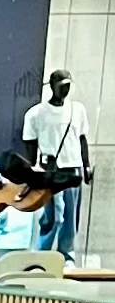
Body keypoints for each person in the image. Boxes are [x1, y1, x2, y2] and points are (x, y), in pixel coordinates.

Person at [26, 70, 92, 256]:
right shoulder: (36, 113)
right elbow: (30, 143)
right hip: (50, 169)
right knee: (54, 215)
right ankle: (42, 250)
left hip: (73, 167)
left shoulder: (77, 110)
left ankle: (66, 252)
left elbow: (82, 138)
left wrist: (86, 165)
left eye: (68, 86)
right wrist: (32, 170)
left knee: (71, 216)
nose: (65, 90)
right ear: (52, 85)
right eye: (62, 86)